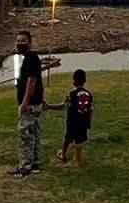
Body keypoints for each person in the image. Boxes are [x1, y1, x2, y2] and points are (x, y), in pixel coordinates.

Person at [13, 29, 44, 177]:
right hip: (35, 103)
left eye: (23, 41)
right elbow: (36, 82)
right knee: (34, 133)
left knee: (25, 135)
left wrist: (24, 103)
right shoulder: (30, 58)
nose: (20, 44)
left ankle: (25, 167)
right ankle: (35, 164)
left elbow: (31, 82)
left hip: (30, 105)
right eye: (18, 41)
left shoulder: (31, 59)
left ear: (30, 43)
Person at [50, 68, 94, 167]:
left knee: (67, 138)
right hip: (83, 123)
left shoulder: (72, 94)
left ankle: (63, 155)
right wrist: (89, 123)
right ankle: (78, 158)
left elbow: (64, 106)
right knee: (80, 139)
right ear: (84, 81)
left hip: (72, 123)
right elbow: (91, 110)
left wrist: (49, 106)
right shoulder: (89, 94)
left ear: (74, 81)